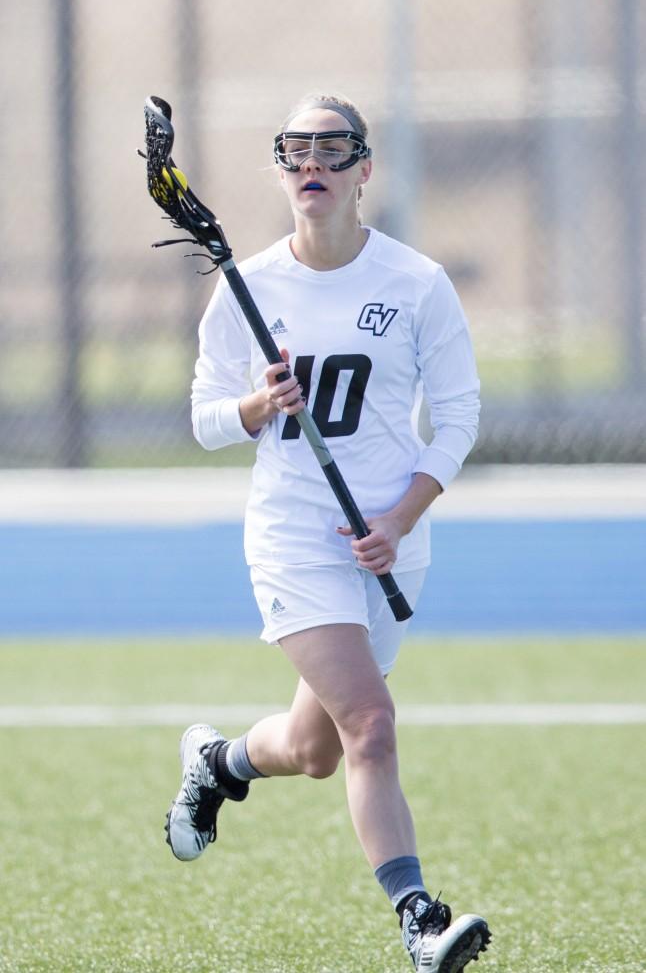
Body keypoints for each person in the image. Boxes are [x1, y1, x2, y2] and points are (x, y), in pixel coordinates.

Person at [165, 93, 490, 973]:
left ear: (363, 172)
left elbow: (458, 418)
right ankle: (419, 919)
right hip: (295, 538)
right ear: (282, 171)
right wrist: (257, 405)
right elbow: (202, 420)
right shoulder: (249, 287)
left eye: (331, 150)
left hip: (388, 541)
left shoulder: (415, 283)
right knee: (372, 725)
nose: (312, 163)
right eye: (295, 151)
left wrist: (398, 517)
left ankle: (221, 764)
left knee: (314, 748)